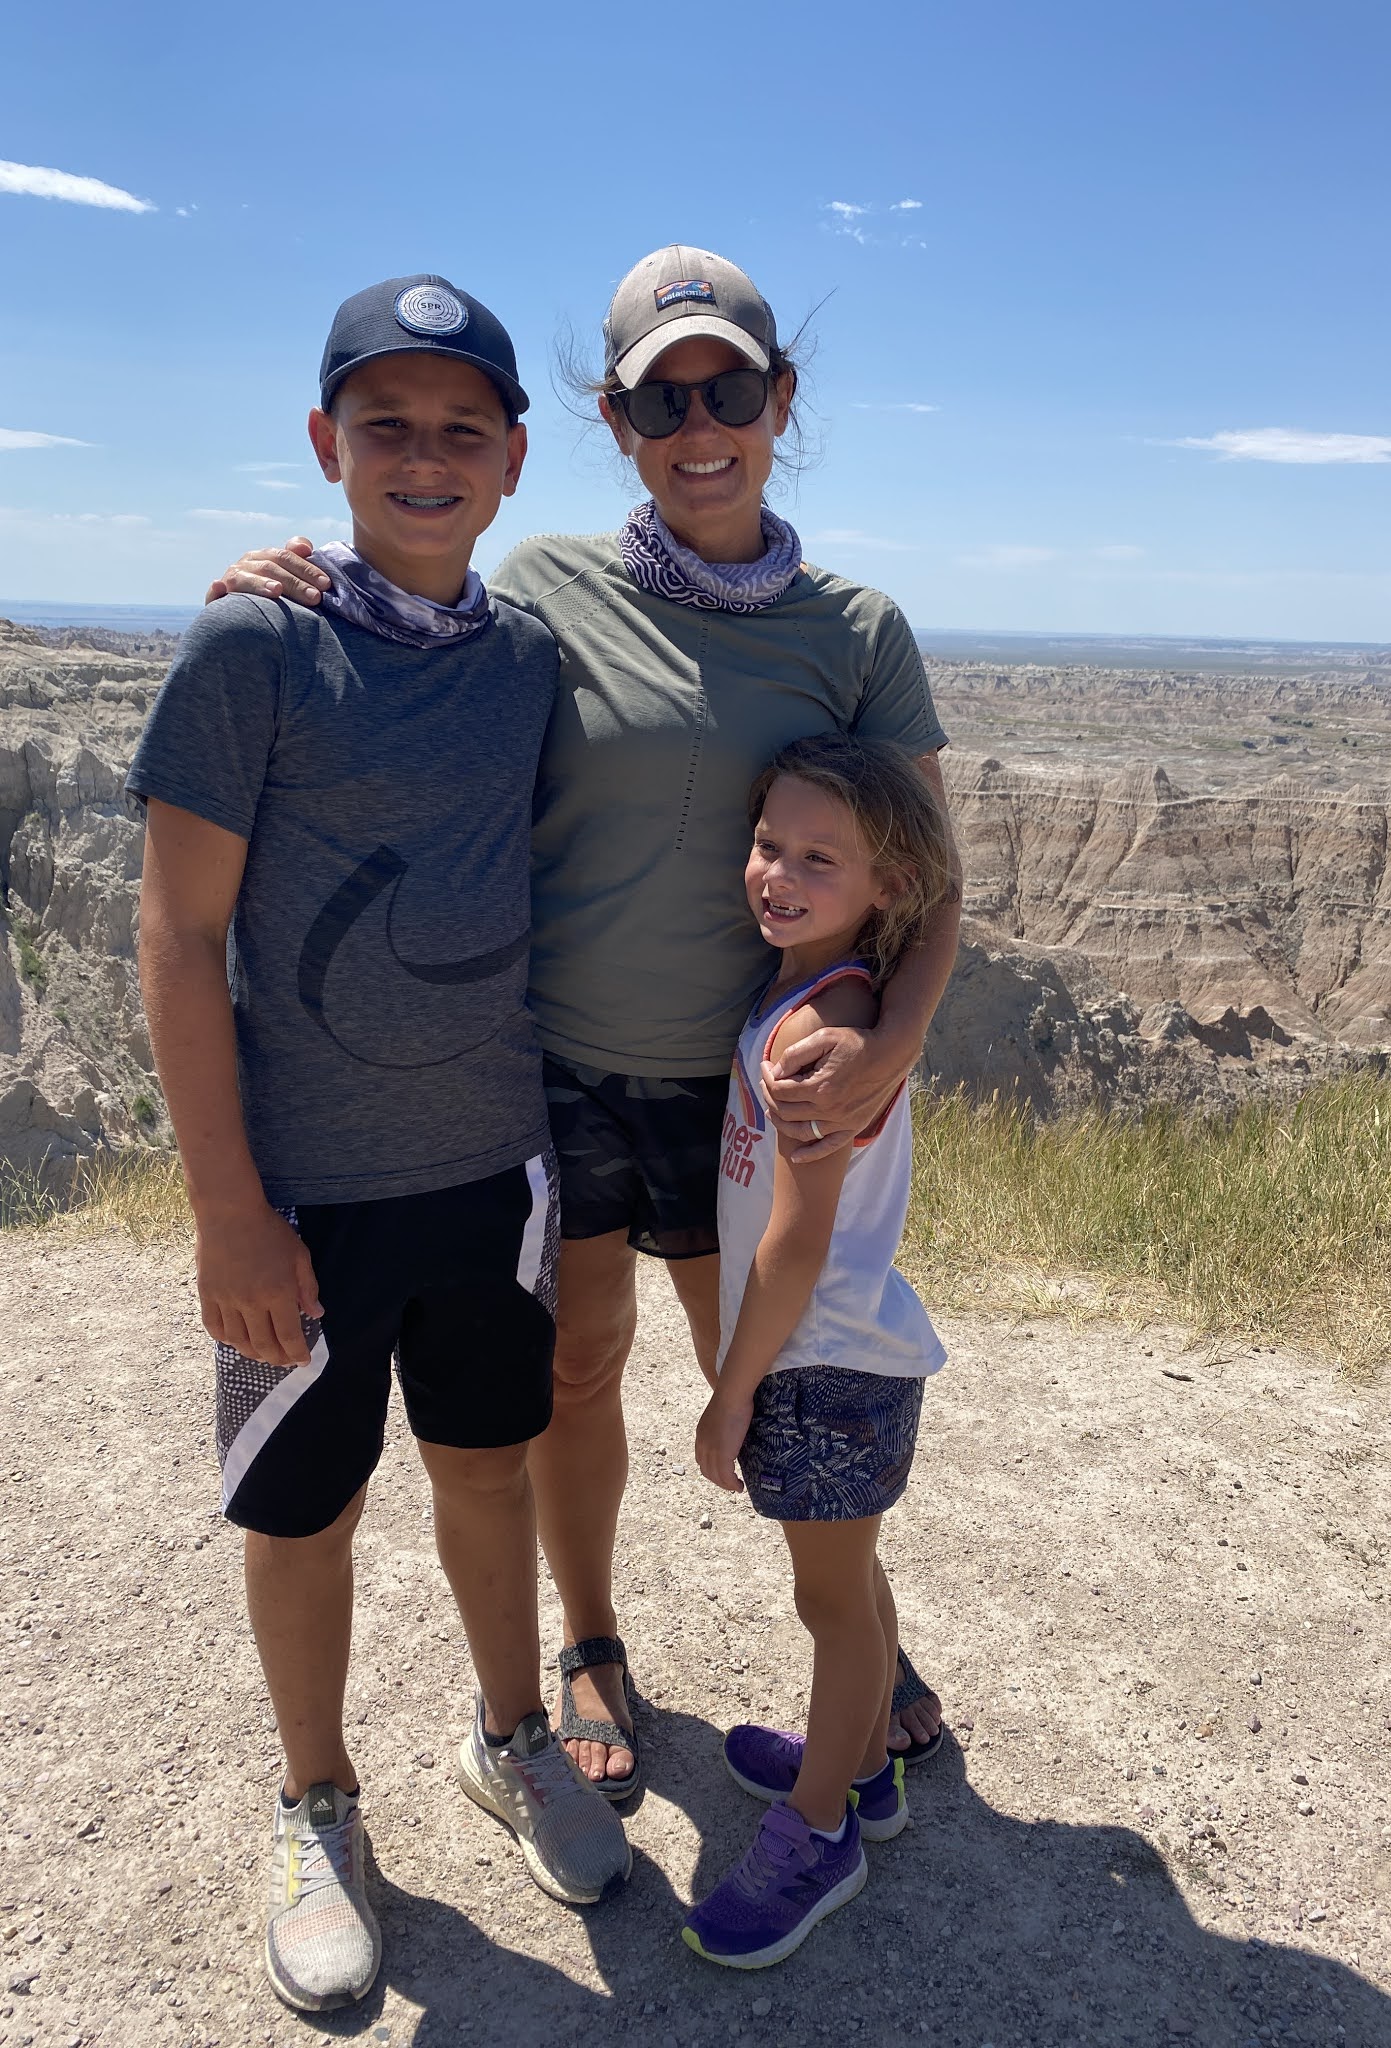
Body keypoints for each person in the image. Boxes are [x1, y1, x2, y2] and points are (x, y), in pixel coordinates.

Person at [207, 244, 958, 1796]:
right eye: (659, 401)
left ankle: (863, 1643)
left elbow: (930, 878)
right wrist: (282, 584)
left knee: (775, 1365)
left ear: (780, 400)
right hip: (552, 1065)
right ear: (614, 423)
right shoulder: (548, 587)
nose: (700, 428)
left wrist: (892, 1045)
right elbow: (406, 616)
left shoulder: (856, 629)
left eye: (727, 391)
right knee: (576, 1368)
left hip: (742, 1077)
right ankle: (591, 1642)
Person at [130, 275, 629, 2017]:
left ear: (512, 463)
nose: (426, 458)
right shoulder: (253, 649)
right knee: (306, 1508)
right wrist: (227, 1214)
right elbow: (178, 936)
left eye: (461, 430)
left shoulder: (526, 662)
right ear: (326, 444)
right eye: (387, 427)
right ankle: (318, 1805)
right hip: (307, 1194)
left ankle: (511, 1738)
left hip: (492, 1173)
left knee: (487, 1466)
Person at [685, 733, 949, 1967]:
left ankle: (821, 1828)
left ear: (885, 886)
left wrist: (730, 1389)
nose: (778, 874)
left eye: (818, 859)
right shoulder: (817, 995)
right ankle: (862, 1766)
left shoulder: (816, 1031)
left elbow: (793, 1244)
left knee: (831, 1606)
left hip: (822, 1361)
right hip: (841, 1356)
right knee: (851, 1579)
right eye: (768, 844)